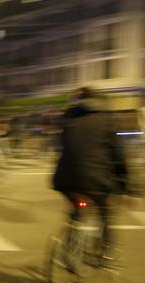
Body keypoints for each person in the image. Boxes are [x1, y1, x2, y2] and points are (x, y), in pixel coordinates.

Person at [53, 87, 131, 268]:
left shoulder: (68, 117)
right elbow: (118, 155)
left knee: (77, 209)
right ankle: (103, 254)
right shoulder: (106, 120)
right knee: (105, 213)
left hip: (65, 180)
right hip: (96, 181)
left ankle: (71, 248)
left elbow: (62, 145)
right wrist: (125, 186)